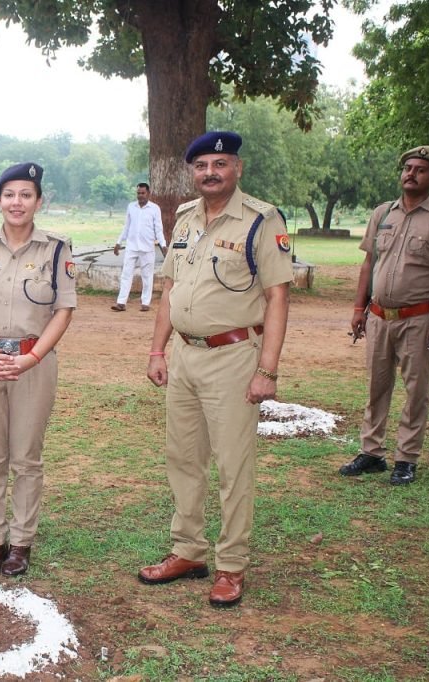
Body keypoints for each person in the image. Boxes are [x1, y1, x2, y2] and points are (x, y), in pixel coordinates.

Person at [138, 131, 291, 607]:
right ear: (193, 172)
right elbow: (170, 288)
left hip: (232, 358)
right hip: (183, 356)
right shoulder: (184, 219)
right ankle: (188, 551)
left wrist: (267, 369)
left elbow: (277, 297)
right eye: (202, 165)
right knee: (183, 458)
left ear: (237, 169)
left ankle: (231, 565)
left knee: (232, 465)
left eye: (220, 164)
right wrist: (157, 350)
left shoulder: (261, 220)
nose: (210, 173)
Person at [0, 162, 75, 577]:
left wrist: (31, 357)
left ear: (39, 201)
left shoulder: (56, 249)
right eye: (9, 195)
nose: (17, 202)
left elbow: (62, 311)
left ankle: (21, 543)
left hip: (32, 364)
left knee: (26, 457)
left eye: (26, 194)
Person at [340, 145, 429, 486]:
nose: (411, 174)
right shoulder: (382, 214)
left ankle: (406, 458)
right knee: (377, 386)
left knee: (415, 390)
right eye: (407, 168)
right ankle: (371, 452)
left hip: (418, 319)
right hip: (378, 316)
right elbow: (369, 263)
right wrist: (357, 308)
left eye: (420, 169)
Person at [111, 182, 165, 312]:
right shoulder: (131, 207)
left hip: (147, 248)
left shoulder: (154, 209)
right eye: (138, 193)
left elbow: (158, 229)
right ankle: (121, 303)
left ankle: (145, 303)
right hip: (132, 246)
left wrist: (163, 245)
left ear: (148, 193)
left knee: (147, 276)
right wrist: (119, 242)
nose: (140, 196)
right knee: (126, 274)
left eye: (142, 193)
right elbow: (127, 226)